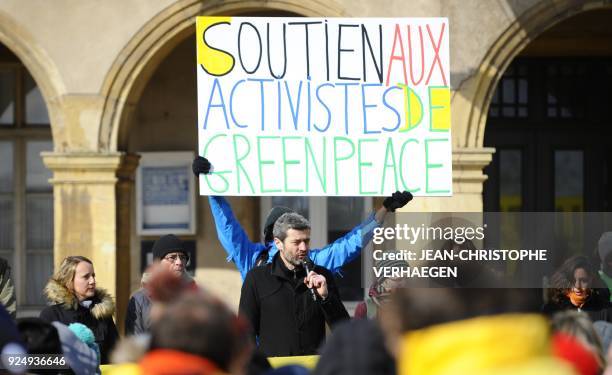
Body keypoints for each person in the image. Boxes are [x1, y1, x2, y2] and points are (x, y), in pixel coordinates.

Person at [192, 156, 413, 280]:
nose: (301, 245)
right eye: (293, 238)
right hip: (266, 351)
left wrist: (383, 210)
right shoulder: (253, 259)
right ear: (275, 238)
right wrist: (211, 185)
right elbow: (227, 226)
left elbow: (349, 245)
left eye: (302, 239)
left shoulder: (309, 260)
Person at [239, 212, 349, 357]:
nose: (304, 248)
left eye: (307, 241)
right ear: (279, 243)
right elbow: (245, 333)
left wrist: (326, 298)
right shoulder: (257, 278)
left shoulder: (322, 276)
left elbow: (344, 330)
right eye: (296, 242)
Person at [39, 255, 119, 364]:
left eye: (93, 276)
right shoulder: (51, 315)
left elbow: (116, 355)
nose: (92, 281)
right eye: (86, 277)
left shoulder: (102, 313)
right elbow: (41, 360)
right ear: (69, 281)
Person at [125, 234, 196, 335]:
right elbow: (134, 343)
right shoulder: (139, 300)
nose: (179, 262)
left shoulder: (195, 296)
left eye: (182, 257)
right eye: (172, 257)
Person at [543, 255, 612, 322]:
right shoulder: (552, 310)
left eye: (583, 280)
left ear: (592, 280)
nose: (577, 286)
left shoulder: (606, 311)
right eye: (572, 280)